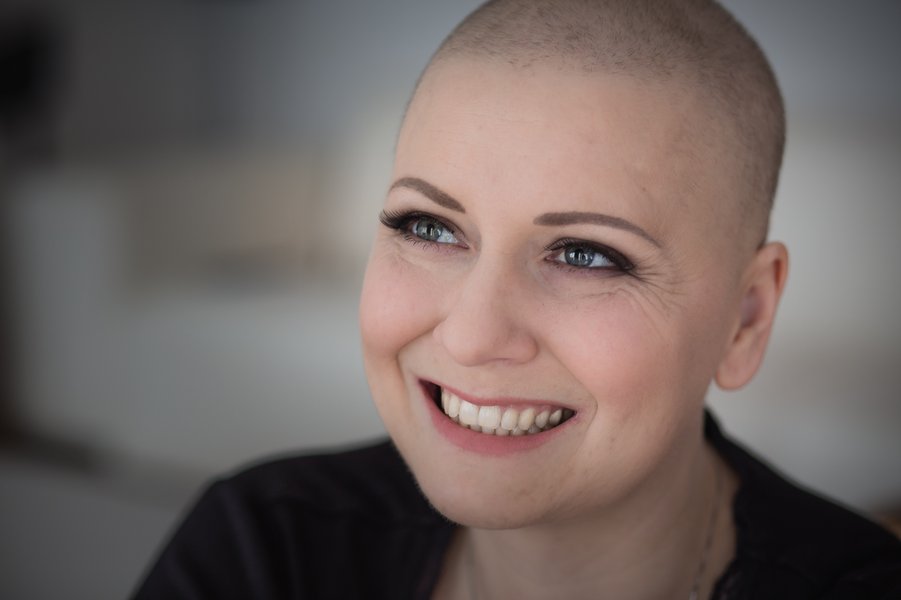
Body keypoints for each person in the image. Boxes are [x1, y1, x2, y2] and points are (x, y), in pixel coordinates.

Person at [132, 1, 901, 598]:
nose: (470, 336)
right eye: (429, 227)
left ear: (744, 319)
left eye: (585, 255)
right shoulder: (263, 547)